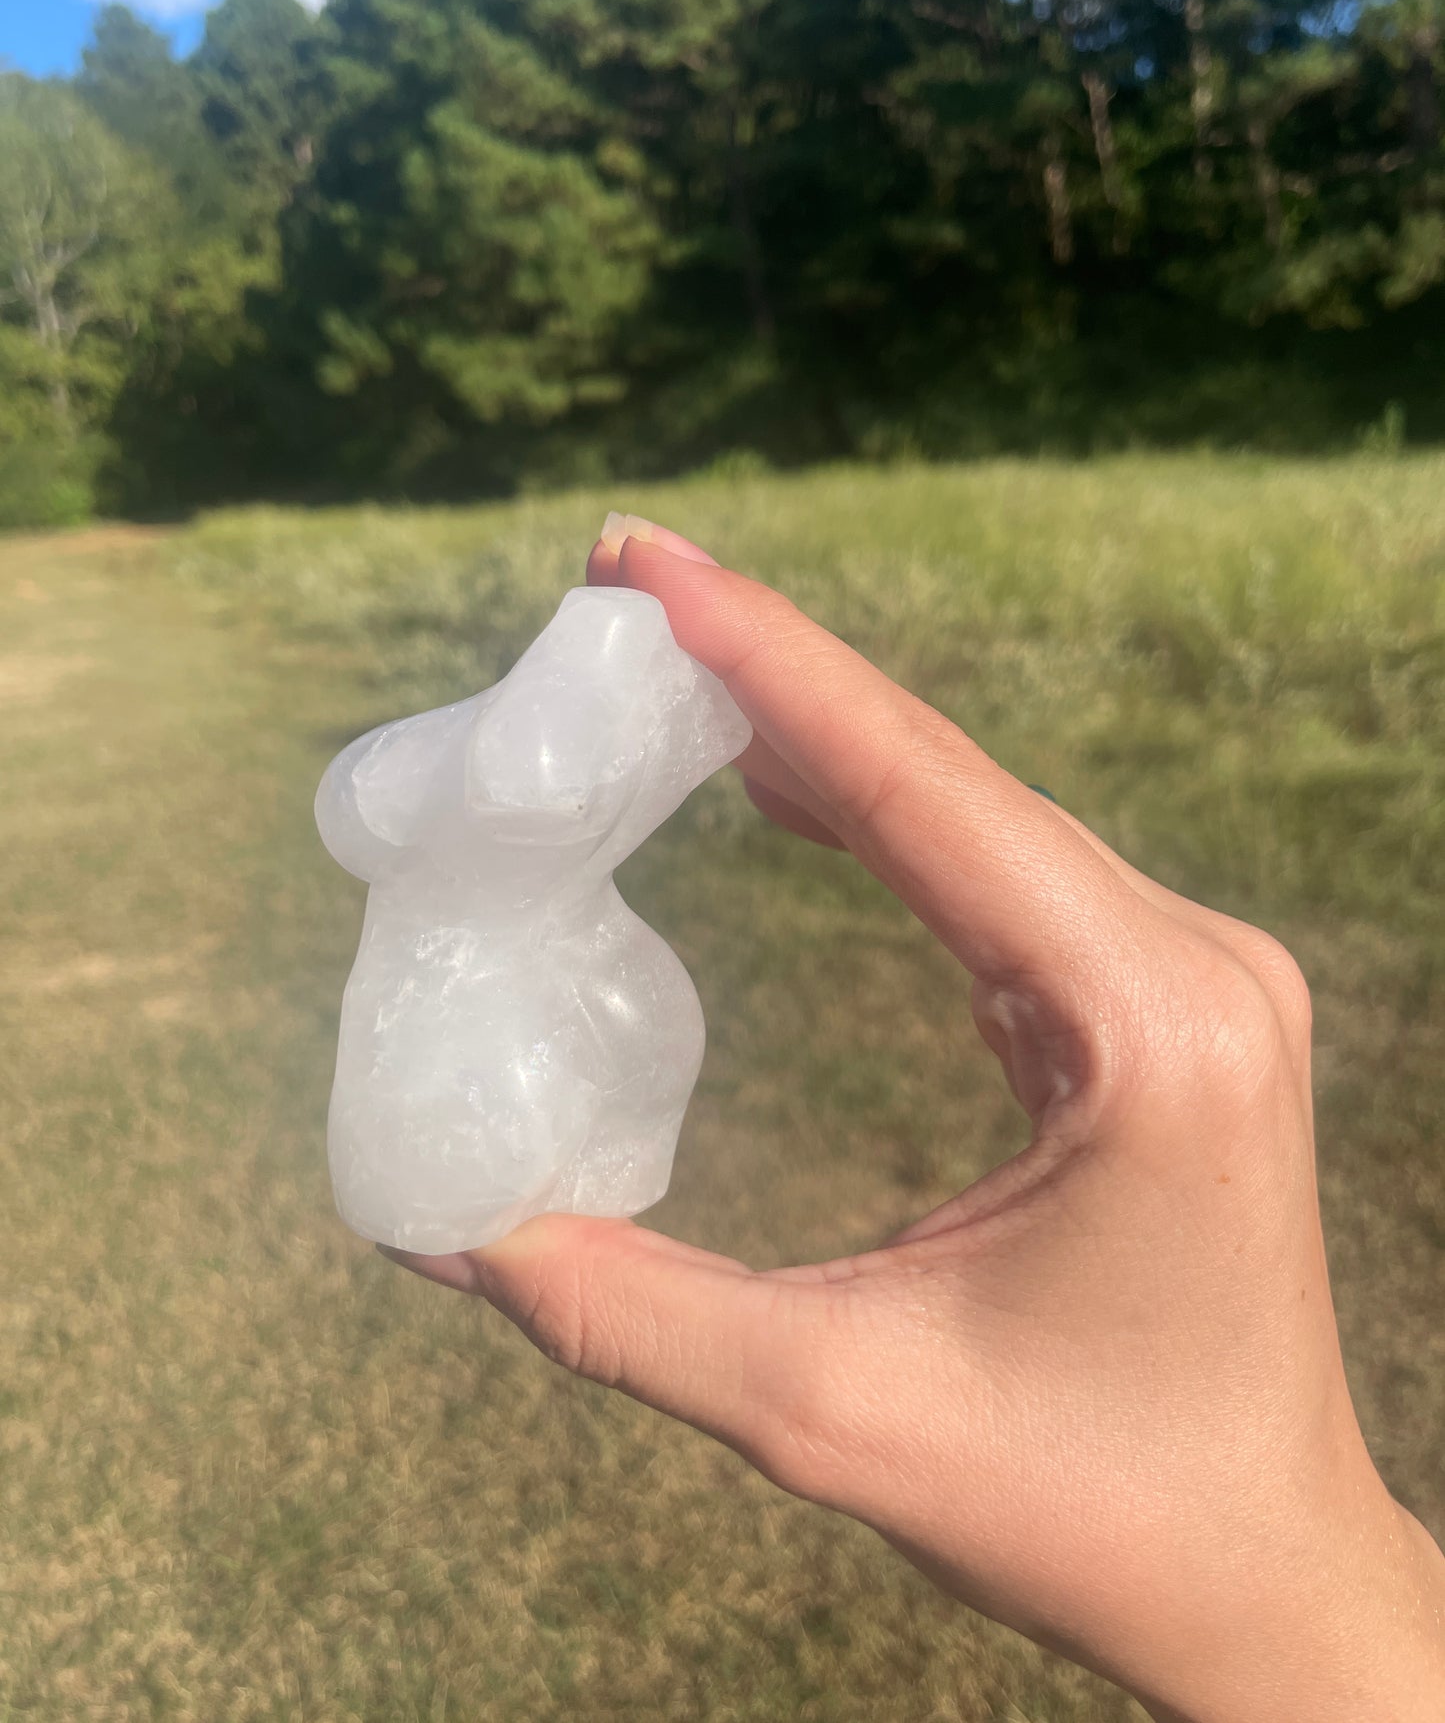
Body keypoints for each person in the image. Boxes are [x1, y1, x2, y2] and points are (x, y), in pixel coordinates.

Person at [381, 517, 1445, 1720]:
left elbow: (494, 784)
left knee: (603, 1040)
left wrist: (1312, 1608)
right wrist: (1342, 1614)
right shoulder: (480, 781)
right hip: (483, 998)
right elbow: (450, 790)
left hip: (524, 977)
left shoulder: (526, 770)